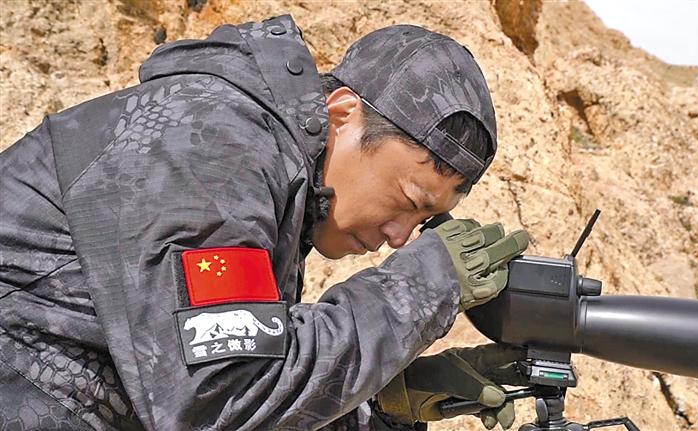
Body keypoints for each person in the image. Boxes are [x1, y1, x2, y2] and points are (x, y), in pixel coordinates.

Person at [0, 14, 530, 430]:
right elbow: (218, 399)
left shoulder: (274, 177)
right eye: (407, 199)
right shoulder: (212, 142)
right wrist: (417, 289)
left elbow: (244, 383)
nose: (398, 237)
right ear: (343, 114)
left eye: (424, 220)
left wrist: (386, 399)